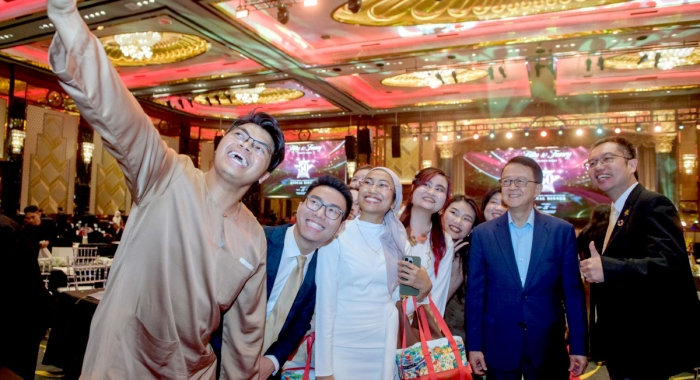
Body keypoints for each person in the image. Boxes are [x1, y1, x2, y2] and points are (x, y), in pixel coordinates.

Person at [47, 0, 285, 378]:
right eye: (239, 136)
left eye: (260, 148)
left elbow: (246, 333)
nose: (247, 146)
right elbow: (120, 116)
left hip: (192, 370)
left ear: (262, 176)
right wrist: (69, 22)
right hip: (123, 357)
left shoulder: (254, 237)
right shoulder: (166, 174)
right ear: (220, 145)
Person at [580, 137, 700, 379]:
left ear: (632, 165)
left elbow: (670, 263)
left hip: (647, 343)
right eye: (592, 163)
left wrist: (608, 268)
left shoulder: (652, 203)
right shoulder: (617, 210)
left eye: (607, 159)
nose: (598, 167)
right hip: (622, 343)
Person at [212, 175, 352, 379]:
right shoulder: (258, 240)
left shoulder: (325, 268)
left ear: (340, 227)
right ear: (301, 206)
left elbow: (301, 321)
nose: (320, 214)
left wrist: (274, 360)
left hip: (265, 370)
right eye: (315, 203)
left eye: (332, 211)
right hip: (216, 358)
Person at [466, 156, 587, 379]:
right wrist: (474, 345)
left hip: (548, 344)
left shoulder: (561, 232)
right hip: (498, 344)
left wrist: (579, 346)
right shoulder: (483, 234)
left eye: (520, 181)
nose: (512, 187)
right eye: (506, 181)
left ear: (538, 188)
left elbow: (573, 294)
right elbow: (475, 295)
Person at [315, 167, 409, 380]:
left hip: (384, 345)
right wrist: (324, 369)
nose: (373, 189)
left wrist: (422, 289)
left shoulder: (401, 242)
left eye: (383, 185)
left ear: (394, 201)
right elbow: (325, 303)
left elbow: (405, 303)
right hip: (342, 346)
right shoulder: (337, 233)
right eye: (368, 182)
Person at [0, 214, 51, 380]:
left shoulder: (7, 229)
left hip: (16, 323)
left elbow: (25, 280)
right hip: (21, 320)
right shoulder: (8, 227)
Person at [397, 167, 454, 315]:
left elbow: (438, 296)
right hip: (373, 321)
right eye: (426, 185)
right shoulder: (389, 225)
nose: (431, 192)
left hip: (414, 328)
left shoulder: (444, 242)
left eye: (439, 189)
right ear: (414, 188)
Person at [442, 195, 484, 339]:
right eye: (453, 212)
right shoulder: (421, 244)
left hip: (451, 339)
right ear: (442, 212)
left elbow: (438, 303)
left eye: (467, 219)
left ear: (471, 229)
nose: (458, 221)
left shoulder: (467, 259)